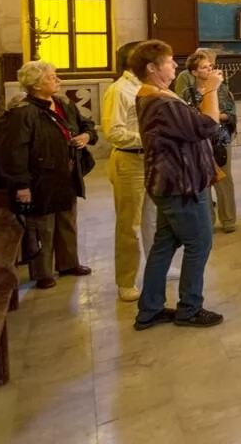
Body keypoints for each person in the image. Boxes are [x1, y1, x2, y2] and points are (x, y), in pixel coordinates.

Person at [132, 39, 224, 330]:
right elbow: (207, 126)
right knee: (199, 244)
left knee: (164, 244)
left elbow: (191, 121)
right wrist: (211, 90)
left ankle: (150, 309)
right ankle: (189, 308)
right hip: (182, 184)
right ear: (151, 67)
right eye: (169, 61)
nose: (174, 64)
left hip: (170, 182)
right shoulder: (158, 100)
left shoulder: (159, 94)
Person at [0, 61, 96, 289]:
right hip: (40, 177)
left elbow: (87, 124)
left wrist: (86, 136)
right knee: (43, 225)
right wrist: (22, 185)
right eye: (52, 78)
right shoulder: (24, 112)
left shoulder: (63, 103)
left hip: (67, 172)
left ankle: (68, 263)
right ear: (36, 85)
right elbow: (16, 150)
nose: (58, 81)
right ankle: (43, 272)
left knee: (67, 220)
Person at [101, 40, 150, 302]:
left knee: (153, 220)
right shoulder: (119, 90)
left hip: (150, 160)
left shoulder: (145, 86)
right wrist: (152, 138)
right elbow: (114, 133)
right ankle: (126, 279)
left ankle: (155, 270)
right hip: (130, 162)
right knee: (129, 225)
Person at [180, 49, 238, 233]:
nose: (209, 70)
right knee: (203, 182)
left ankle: (228, 220)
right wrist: (208, 115)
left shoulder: (222, 90)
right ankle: (208, 221)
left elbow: (230, 115)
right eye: (205, 68)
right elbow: (187, 118)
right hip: (198, 142)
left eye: (211, 67)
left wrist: (213, 116)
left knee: (225, 181)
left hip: (220, 140)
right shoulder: (187, 93)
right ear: (194, 72)